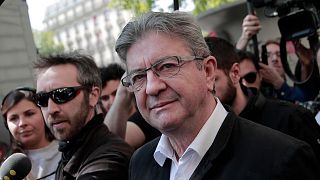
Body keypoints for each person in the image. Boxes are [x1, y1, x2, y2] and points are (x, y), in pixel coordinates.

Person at [115, 11, 320, 179]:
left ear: (208, 71)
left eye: (167, 66)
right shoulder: (140, 163)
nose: (151, 87)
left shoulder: (281, 159)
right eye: (138, 76)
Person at [206, 36, 320, 162]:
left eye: (214, 80)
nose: (207, 90)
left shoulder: (291, 118)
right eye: (200, 84)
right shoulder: (210, 135)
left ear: (235, 73)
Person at [33, 51, 133, 179]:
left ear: (93, 96)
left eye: (62, 94)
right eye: (41, 99)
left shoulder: (111, 159)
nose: (51, 109)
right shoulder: (69, 152)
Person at [1, 87, 61, 180]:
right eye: (13, 118)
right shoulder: (6, 166)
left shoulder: (69, 154)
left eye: (29, 114)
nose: (22, 123)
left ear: (44, 113)